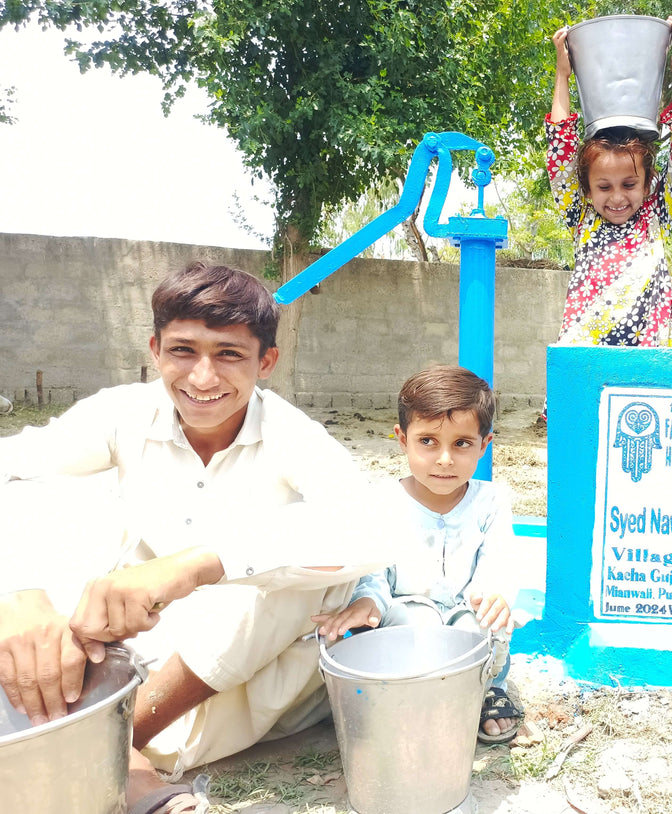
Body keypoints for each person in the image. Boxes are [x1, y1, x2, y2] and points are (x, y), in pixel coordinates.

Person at [0, 262, 391, 814]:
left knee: (315, 574)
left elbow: (368, 528)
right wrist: (20, 592)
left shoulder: (292, 436)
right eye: (184, 351)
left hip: (231, 671)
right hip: (132, 644)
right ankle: (114, 756)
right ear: (157, 350)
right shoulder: (123, 414)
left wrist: (197, 565)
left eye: (229, 354)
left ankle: (99, 747)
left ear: (266, 362)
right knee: (57, 510)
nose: (202, 379)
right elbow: (12, 467)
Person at [312, 365, 524, 744]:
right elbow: (373, 571)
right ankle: (413, 699)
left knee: (479, 625)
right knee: (417, 621)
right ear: (402, 438)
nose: (444, 459)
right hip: (404, 616)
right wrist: (367, 601)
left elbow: (500, 560)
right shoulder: (381, 501)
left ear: (484, 444)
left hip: (466, 612)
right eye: (428, 441)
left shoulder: (491, 501)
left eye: (461, 443)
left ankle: (486, 691)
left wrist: (495, 595)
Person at [545, 16, 672, 350]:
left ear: (647, 186)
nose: (617, 197)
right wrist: (562, 74)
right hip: (586, 358)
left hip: (651, 360)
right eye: (604, 187)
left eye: (629, 185)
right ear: (586, 189)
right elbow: (560, 148)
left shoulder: (655, 214)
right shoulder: (581, 217)